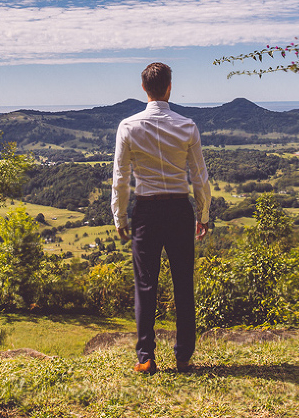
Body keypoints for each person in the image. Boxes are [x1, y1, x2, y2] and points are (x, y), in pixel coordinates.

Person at [111, 62, 211, 375]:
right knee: (183, 283)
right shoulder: (187, 126)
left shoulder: (128, 127)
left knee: (145, 285)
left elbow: (120, 177)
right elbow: (199, 177)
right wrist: (203, 213)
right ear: (169, 87)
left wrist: (120, 217)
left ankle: (145, 357)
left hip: (146, 211)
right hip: (180, 209)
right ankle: (183, 357)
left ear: (144, 88)